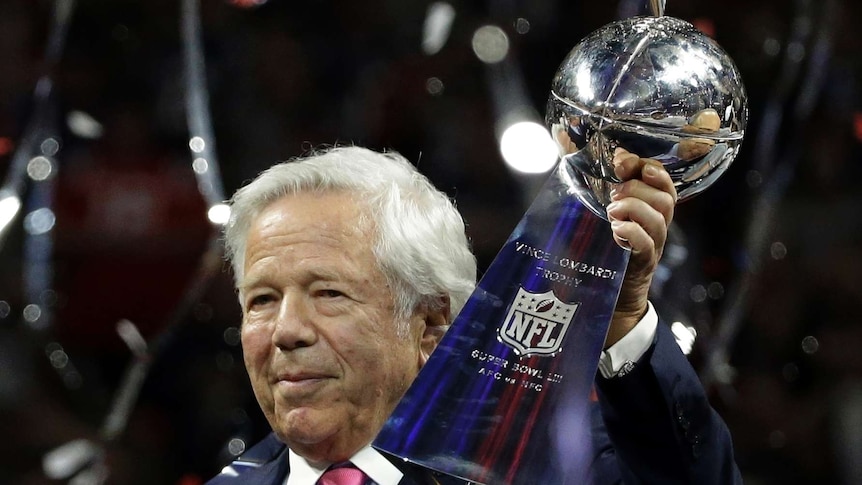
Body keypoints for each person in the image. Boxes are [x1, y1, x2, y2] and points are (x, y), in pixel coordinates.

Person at [206, 146, 740, 484]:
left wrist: (621, 323)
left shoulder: (558, 470)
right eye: (262, 300)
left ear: (432, 327)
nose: (286, 331)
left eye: (328, 294)